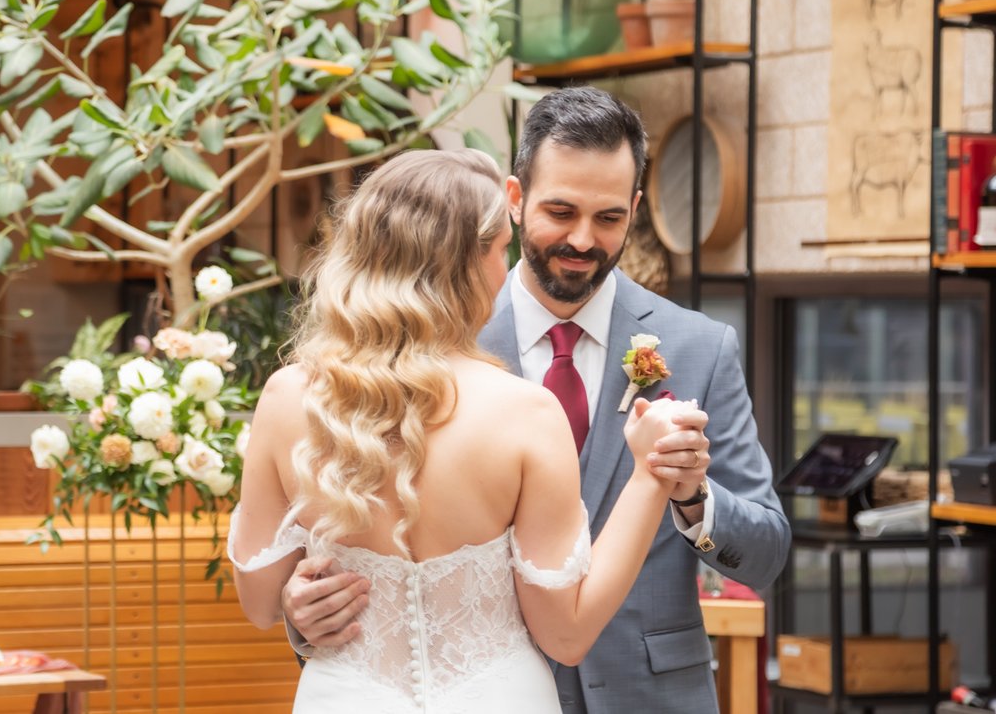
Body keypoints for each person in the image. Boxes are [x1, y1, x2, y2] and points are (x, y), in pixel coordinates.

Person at [280, 86, 792, 712]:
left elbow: (765, 554)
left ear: (635, 209)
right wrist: (304, 614)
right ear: (514, 200)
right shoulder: (427, 346)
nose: (582, 240)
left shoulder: (701, 347)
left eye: (608, 218)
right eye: (560, 211)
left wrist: (691, 496)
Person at [229, 147, 691, 713]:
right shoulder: (526, 414)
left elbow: (257, 603)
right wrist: (650, 473)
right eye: (502, 251)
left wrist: (296, 603)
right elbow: (566, 636)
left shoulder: (287, 399)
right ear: (465, 263)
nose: (506, 271)